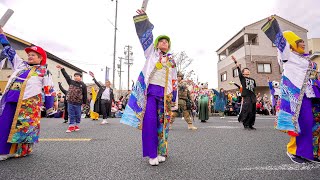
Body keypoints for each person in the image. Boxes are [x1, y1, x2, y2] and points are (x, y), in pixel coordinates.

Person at [120, 9, 178, 166]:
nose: (164, 43)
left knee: (164, 124)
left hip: (165, 95)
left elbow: (174, 80)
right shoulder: (151, 53)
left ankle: (162, 151)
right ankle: (152, 154)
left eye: (167, 42)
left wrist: (174, 99)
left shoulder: (172, 60)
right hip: (151, 93)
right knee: (150, 121)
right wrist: (142, 18)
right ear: (157, 44)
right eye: (162, 41)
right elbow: (145, 36)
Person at [262, 16, 320, 163]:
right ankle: (293, 150)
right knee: (300, 122)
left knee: (312, 123)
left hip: (310, 94)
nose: (303, 44)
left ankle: (309, 153)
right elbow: (281, 41)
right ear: (292, 44)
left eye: (303, 42)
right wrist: (273, 24)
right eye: (299, 42)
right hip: (295, 96)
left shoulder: (306, 59)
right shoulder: (288, 56)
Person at [0, 27, 56, 161]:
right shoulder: (21, 65)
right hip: (11, 98)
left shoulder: (44, 71)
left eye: (33, 55)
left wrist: (49, 107)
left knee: (23, 127)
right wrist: (2, 36)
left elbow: (49, 89)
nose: (30, 56)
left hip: (28, 103)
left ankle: (18, 151)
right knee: (4, 123)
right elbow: (10, 50)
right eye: (29, 54)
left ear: (40, 58)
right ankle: (3, 151)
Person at [56, 65, 87, 133]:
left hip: (78, 103)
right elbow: (66, 76)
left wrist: (84, 103)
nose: (76, 77)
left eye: (77, 76)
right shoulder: (71, 82)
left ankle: (76, 124)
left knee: (78, 115)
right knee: (71, 114)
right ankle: (71, 126)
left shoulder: (83, 85)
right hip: (70, 101)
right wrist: (62, 69)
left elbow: (85, 94)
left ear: (80, 77)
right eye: (75, 76)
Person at [231, 56, 257, 130]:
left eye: (248, 70)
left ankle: (251, 124)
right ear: (243, 73)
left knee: (253, 111)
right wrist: (235, 61)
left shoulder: (253, 79)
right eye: (245, 70)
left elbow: (254, 88)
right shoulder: (242, 78)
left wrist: (255, 97)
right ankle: (245, 123)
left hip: (252, 97)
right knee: (247, 110)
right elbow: (238, 69)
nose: (247, 71)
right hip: (247, 97)